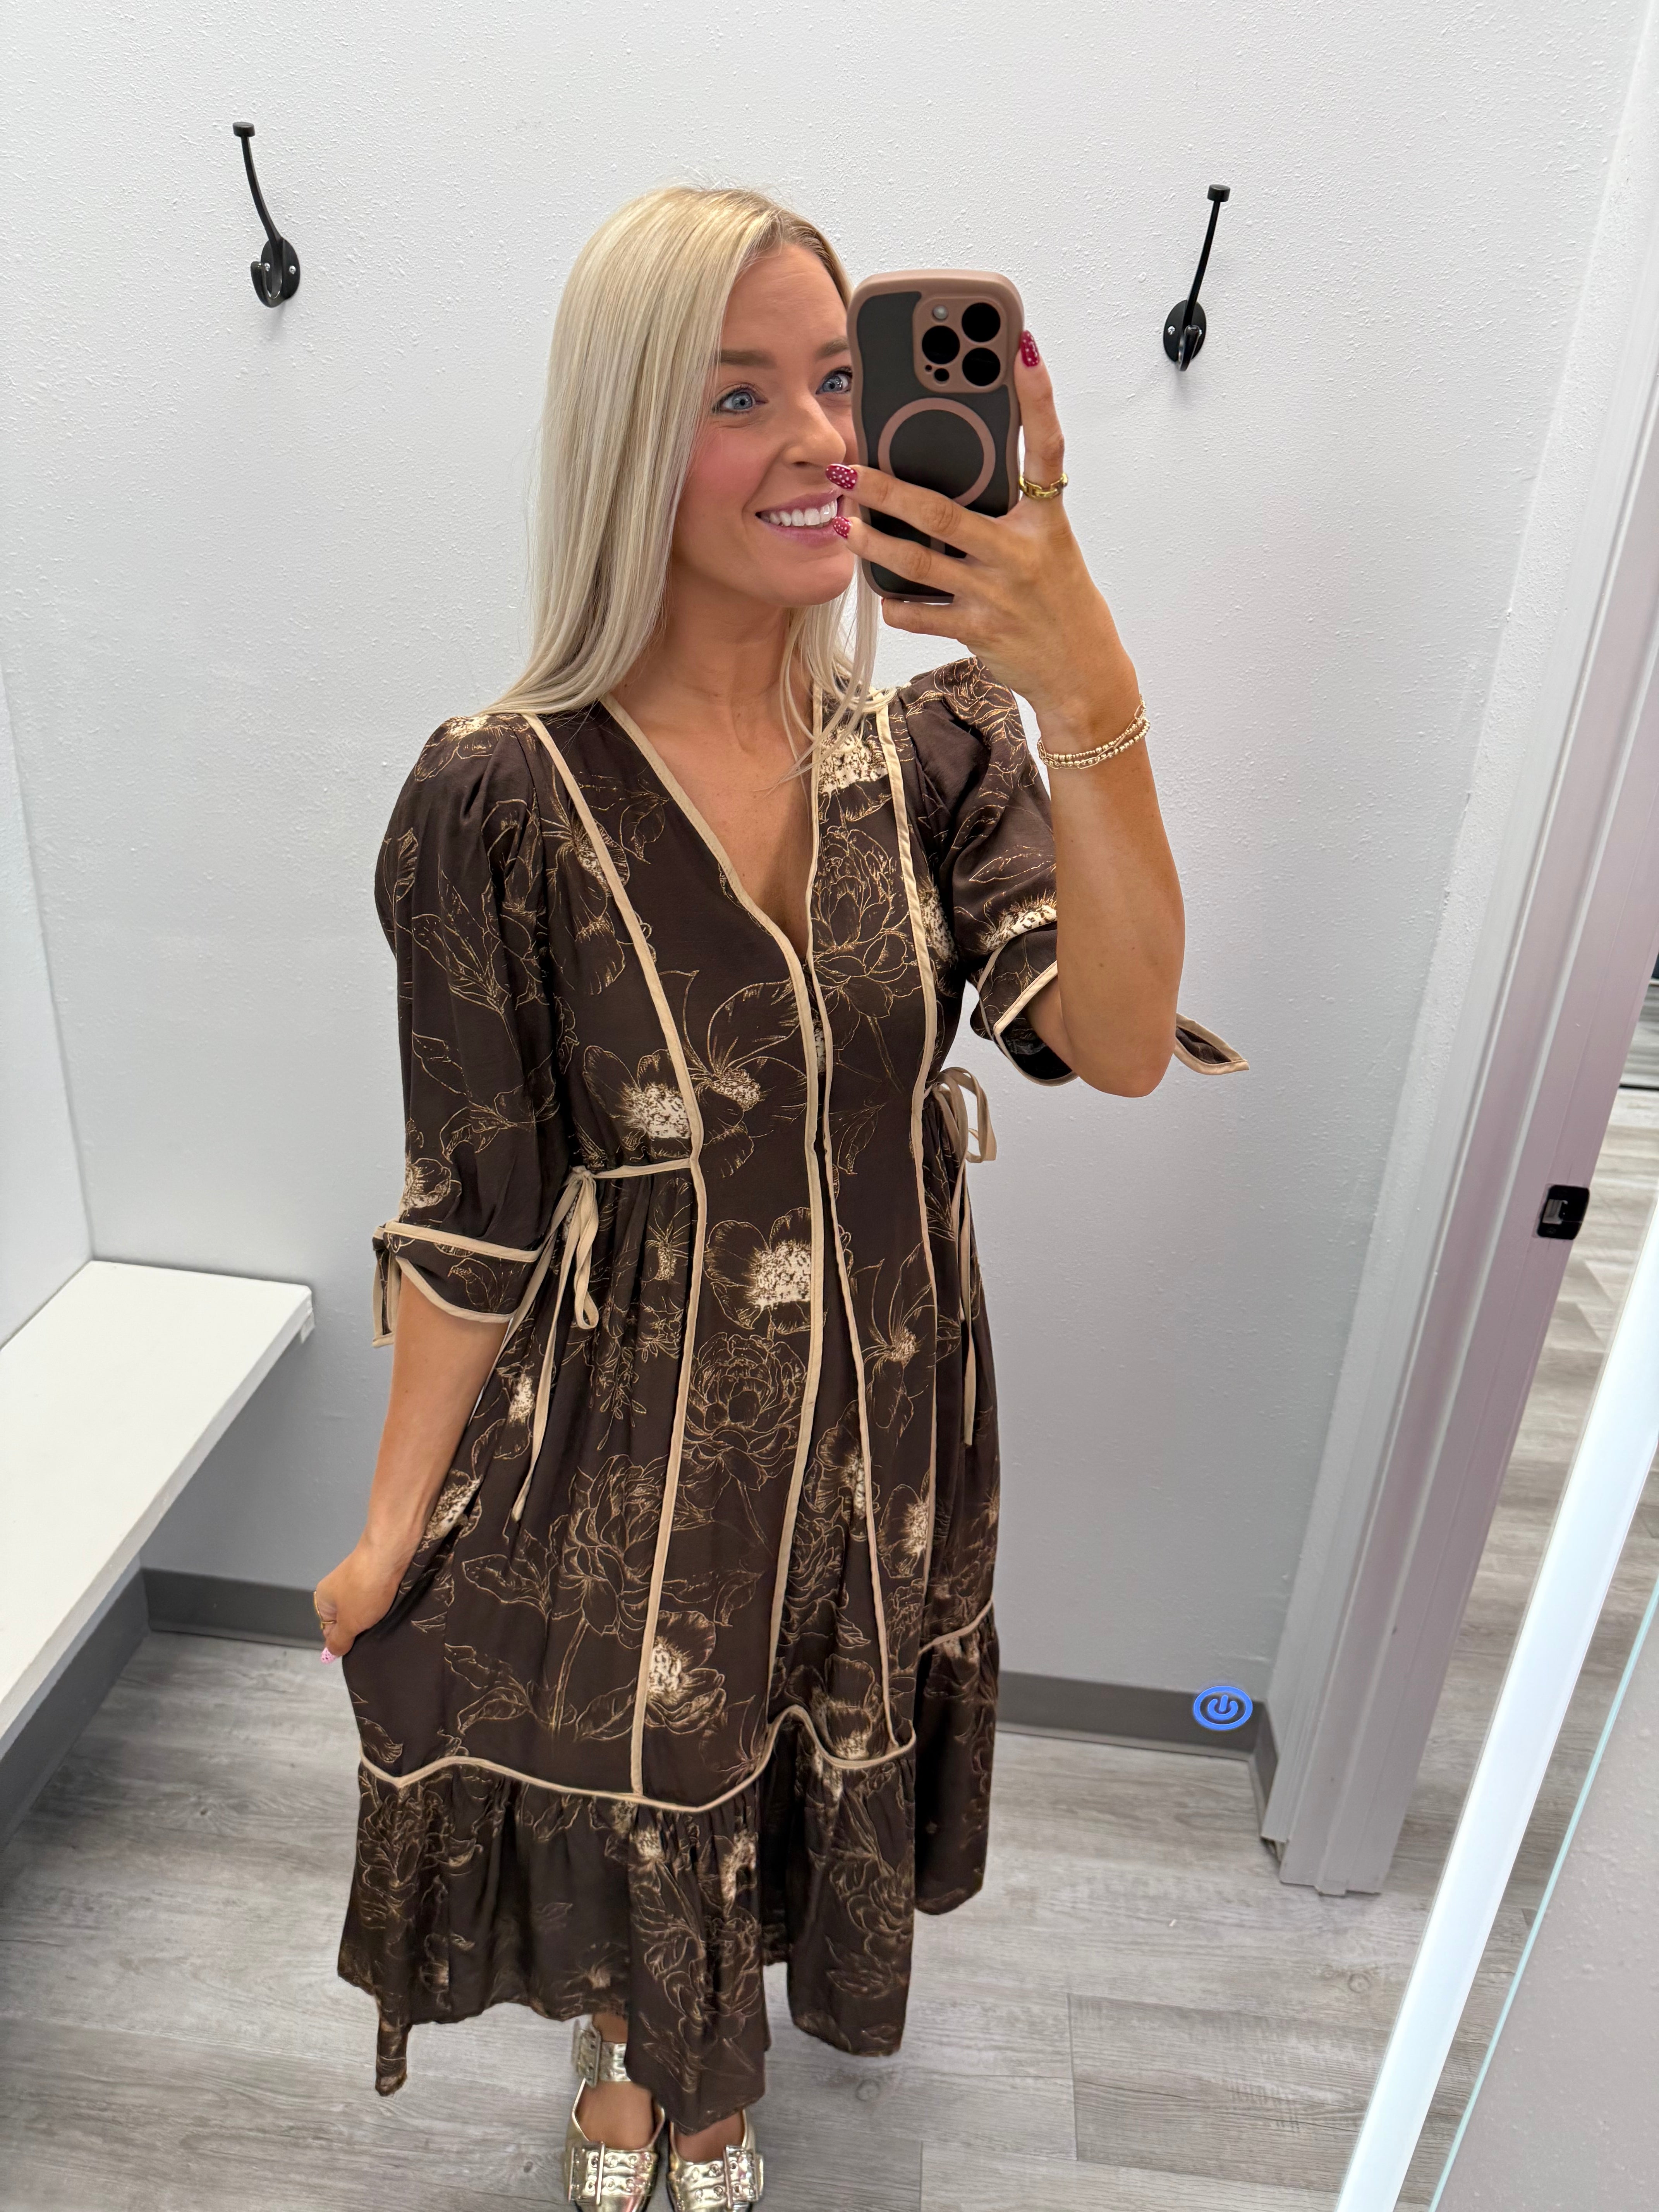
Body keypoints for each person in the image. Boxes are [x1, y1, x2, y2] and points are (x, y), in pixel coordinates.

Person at [313, 183, 1238, 2212]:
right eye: (739, 396)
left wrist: (1079, 664)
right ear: (631, 443)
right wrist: (386, 1532)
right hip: (625, 1437)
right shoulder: (499, 796)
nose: (822, 440)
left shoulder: (938, 751)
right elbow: (472, 1214)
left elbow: (1121, 1035)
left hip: (886, 1416)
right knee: (650, 1744)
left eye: (841, 382)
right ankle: (642, 2054)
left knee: (795, 1739)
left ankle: (706, 2073)